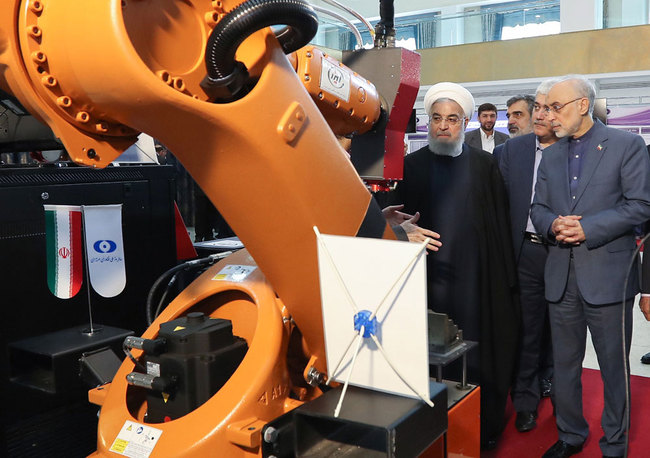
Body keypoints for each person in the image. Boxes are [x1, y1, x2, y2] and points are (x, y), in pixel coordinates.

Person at [389, 82, 519, 449]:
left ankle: (477, 425)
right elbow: (392, 225)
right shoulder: (409, 167)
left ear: (465, 122)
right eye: (436, 119)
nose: (443, 126)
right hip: (424, 282)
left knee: (476, 348)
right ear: (428, 122)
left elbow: (499, 225)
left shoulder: (485, 165)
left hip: (476, 280)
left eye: (452, 119)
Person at [530, 74, 650, 458]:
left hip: (609, 279)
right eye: (546, 107)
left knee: (614, 369)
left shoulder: (627, 145)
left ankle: (615, 444)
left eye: (556, 107)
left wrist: (586, 229)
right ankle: (570, 435)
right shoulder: (549, 154)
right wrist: (552, 224)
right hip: (560, 278)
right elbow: (538, 208)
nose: (548, 115)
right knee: (564, 366)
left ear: (583, 105)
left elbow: (641, 206)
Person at [498, 78, 558, 434]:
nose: (540, 114)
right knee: (529, 330)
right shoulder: (512, 152)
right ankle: (525, 401)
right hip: (525, 253)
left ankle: (554, 387)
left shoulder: (576, 150)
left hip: (567, 253)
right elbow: (499, 205)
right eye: (537, 107)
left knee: (562, 332)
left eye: (549, 108)